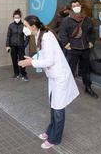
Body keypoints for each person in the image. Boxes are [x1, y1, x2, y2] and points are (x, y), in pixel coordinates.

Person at [18, 15, 79, 149]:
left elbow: (49, 60)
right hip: (53, 76)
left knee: (58, 108)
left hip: (60, 76)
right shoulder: (39, 34)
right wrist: (33, 58)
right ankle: (51, 130)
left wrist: (31, 62)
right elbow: (43, 54)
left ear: (33, 27)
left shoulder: (46, 36)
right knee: (53, 104)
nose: (25, 29)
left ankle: (55, 138)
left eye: (26, 26)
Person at [59, 0, 98, 98]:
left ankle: (88, 87)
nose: (76, 7)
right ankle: (67, 89)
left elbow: (92, 32)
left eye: (77, 5)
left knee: (86, 69)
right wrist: (66, 44)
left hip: (85, 48)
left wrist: (91, 42)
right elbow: (62, 34)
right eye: (74, 5)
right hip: (73, 49)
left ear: (80, 6)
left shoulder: (87, 19)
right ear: (71, 8)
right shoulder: (66, 20)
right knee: (70, 70)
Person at [6, 9, 30, 81]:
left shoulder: (23, 26)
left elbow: (28, 37)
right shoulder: (11, 26)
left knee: (22, 60)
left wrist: (24, 45)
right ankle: (16, 73)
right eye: (15, 17)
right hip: (12, 46)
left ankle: (23, 74)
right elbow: (8, 36)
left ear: (20, 17)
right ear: (13, 17)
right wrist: (7, 45)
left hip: (21, 46)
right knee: (14, 60)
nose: (17, 19)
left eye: (18, 17)